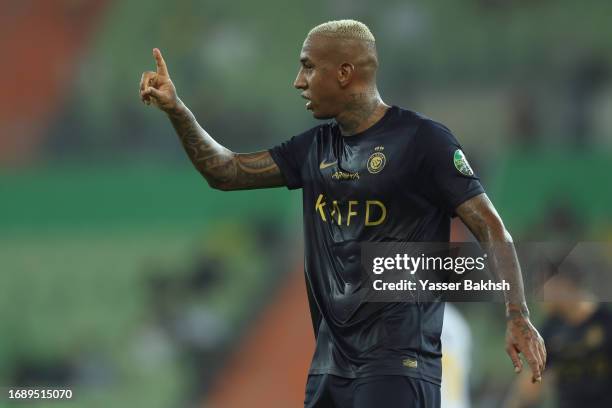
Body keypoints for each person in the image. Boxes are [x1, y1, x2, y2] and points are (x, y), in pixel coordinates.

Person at [139, 19, 546, 408]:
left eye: (308, 68)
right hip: (328, 368)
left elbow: (491, 228)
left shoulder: (423, 141)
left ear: (345, 72)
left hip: (397, 366)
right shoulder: (314, 148)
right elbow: (225, 171)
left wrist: (517, 313)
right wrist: (178, 111)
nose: (298, 82)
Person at [504, 266, 612, 408]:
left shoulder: (605, 320)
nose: (539, 294)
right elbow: (529, 385)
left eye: (542, 287)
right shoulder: (550, 329)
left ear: (563, 285)